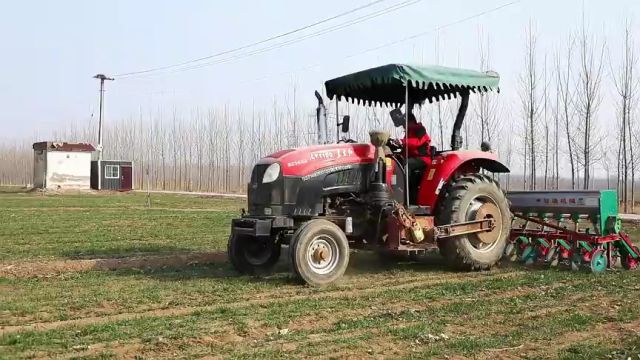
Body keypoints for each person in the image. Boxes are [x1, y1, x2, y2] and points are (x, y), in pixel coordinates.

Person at [389, 112, 431, 203]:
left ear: (410, 121)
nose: (403, 126)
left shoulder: (420, 129)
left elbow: (417, 142)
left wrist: (402, 141)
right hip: (412, 158)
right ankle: (395, 191)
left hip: (423, 158)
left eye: (404, 124)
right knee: (396, 163)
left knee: (406, 165)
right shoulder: (409, 132)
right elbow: (406, 149)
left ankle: (404, 192)